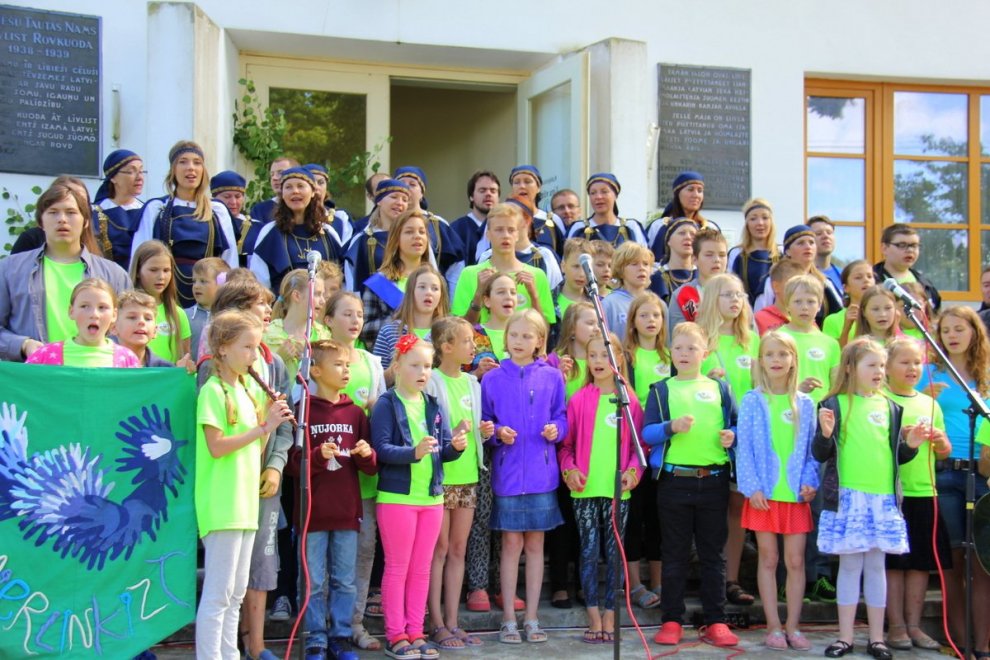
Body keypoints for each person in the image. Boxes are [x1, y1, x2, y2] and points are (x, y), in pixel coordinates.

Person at [813, 338, 927, 660]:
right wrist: (824, 434)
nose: (879, 371)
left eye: (881, 365)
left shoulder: (890, 407)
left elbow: (894, 456)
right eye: (871, 365)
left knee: (876, 566)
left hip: (882, 500)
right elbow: (819, 453)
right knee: (850, 566)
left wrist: (911, 445)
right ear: (851, 368)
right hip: (849, 497)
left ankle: (877, 638)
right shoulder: (834, 404)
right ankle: (845, 637)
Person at [200, 278, 294, 660]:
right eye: (248, 348)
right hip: (221, 503)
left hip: (244, 504)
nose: (255, 356)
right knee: (218, 594)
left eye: (256, 348)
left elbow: (255, 448)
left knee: (236, 592)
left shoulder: (245, 388)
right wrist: (263, 426)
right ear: (223, 347)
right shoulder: (214, 389)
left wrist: (270, 425)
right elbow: (216, 446)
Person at [370, 334, 467, 660]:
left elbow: (442, 451)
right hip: (398, 498)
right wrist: (414, 452)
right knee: (398, 567)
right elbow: (382, 450)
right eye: (415, 365)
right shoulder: (386, 404)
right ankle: (395, 634)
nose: (422, 372)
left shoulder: (433, 404)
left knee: (422, 568)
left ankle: (416, 631)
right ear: (397, 366)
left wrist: (455, 446)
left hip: (431, 499)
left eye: (427, 366)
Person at [643, 322, 739, 647]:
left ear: (705, 353)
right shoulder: (661, 389)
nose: (684, 354)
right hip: (674, 482)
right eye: (678, 348)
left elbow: (736, 424)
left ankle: (716, 621)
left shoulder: (720, 388)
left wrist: (732, 436)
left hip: (714, 481)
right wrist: (671, 426)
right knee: (674, 554)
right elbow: (647, 433)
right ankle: (672, 620)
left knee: (713, 555)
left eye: (691, 348)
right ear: (670, 352)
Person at [286, 339, 376, 660]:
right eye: (338, 365)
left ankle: (340, 636)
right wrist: (317, 456)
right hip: (312, 514)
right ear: (316, 371)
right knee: (312, 580)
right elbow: (292, 464)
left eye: (348, 365)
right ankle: (315, 637)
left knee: (345, 580)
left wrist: (366, 454)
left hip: (346, 512)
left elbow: (370, 466)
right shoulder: (303, 410)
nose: (345, 370)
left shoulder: (355, 413)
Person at [481, 309, 567, 644]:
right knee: (511, 544)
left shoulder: (552, 377)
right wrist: (496, 432)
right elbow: (485, 422)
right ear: (506, 338)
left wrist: (556, 429)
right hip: (508, 474)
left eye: (527, 336)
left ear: (539, 341)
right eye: (514, 335)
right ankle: (508, 619)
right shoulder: (491, 379)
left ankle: (531, 617)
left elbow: (561, 416)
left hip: (543, 475)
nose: (519, 341)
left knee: (535, 544)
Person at [735, 331, 819, 651]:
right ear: (760, 360)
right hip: (764, 496)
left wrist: (810, 481)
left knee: (795, 561)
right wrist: (752, 487)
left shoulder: (805, 404)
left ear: (793, 360)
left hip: (794, 496)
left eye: (783, 354)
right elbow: (744, 448)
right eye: (769, 354)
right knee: (768, 559)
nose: (776, 360)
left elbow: (812, 450)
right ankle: (773, 626)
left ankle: (793, 626)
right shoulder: (753, 400)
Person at [559, 332, 644, 643]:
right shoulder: (579, 399)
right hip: (585, 489)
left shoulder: (628, 400)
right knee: (588, 550)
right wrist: (569, 470)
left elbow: (639, 447)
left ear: (618, 359)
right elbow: (566, 446)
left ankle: (611, 613)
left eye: (605, 355)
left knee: (614, 551)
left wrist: (633, 472)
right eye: (592, 355)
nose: (598, 361)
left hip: (617, 491)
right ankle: (593, 614)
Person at [918, 306, 990, 651]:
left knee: (982, 565)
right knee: (953, 564)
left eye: (959, 329)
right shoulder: (928, 374)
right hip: (945, 473)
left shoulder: (986, 374)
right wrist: (924, 400)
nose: (952, 336)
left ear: (975, 332)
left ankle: (984, 646)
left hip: (983, 474)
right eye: (945, 330)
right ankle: (962, 646)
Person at [0, 178, 129, 361]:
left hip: (94, 373)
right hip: (34, 374)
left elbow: (128, 329)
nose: (62, 219)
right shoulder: (10, 270)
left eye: (71, 212)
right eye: (53, 212)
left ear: (86, 221)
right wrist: (23, 345)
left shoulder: (114, 275)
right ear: (40, 222)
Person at [321, 291, 386, 651]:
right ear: (328, 319)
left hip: (363, 479)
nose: (355, 320)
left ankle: (353, 624)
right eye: (347, 314)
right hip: (327, 480)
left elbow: (381, 417)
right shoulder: (315, 359)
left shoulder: (372, 362)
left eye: (359, 314)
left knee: (363, 554)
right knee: (325, 559)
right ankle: (320, 628)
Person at [882, 338, 951, 652]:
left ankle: (914, 625)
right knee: (895, 564)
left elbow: (943, 451)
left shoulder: (930, 404)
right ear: (887, 366)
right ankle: (895, 625)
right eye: (904, 362)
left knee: (920, 562)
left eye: (917, 362)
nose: (912, 368)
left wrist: (940, 442)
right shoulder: (881, 399)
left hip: (925, 490)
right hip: (892, 492)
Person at [426, 317, 490, 650]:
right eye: (466, 341)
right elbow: (428, 427)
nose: (473, 346)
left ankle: (453, 621)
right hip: (442, 477)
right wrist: (454, 433)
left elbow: (474, 430)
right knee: (437, 550)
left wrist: (483, 432)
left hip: (467, 476)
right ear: (446, 346)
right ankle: (435, 621)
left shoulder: (472, 383)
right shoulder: (432, 381)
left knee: (457, 549)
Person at [696, 273, 758, 606]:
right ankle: (710, 575)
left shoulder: (752, 341)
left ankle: (730, 580)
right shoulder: (702, 340)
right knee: (710, 510)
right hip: (710, 437)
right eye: (727, 295)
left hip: (745, 435)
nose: (735, 301)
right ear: (711, 300)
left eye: (739, 295)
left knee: (737, 508)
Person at [131, 140, 238, 306]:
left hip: (209, 295)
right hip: (164, 292)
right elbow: (139, 256)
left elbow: (229, 260)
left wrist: (228, 298)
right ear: (173, 169)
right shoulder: (156, 209)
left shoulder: (216, 210)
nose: (191, 168)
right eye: (183, 162)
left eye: (197, 162)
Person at [621, 292, 670, 608]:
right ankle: (635, 584)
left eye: (656, 315)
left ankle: (659, 581)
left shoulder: (670, 357)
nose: (651, 320)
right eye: (644, 315)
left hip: (664, 451)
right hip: (635, 449)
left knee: (658, 518)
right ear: (633, 322)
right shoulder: (628, 357)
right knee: (634, 517)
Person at [452, 202, 555, 327]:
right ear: (488, 235)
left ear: (517, 235)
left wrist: (533, 295)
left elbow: (544, 330)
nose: (505, 235)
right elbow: (459, 328)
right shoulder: (470, 274)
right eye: (499, 230)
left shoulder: (536, 275)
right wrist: (479, 294)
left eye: (511, 230)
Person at [249, 166, 342, 293]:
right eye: (288, 187)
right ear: (282, 194)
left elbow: (341, 278)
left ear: (313, 192)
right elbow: (259, 281)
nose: (295, 191)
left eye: (300, 186)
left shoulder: (327, 232)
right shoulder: (270, 232)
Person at [360, 212, 436, 351]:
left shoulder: (435, 281)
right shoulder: (379, 282)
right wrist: (401, 318)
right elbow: (364, 330)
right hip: (392, 355)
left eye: (422, 232)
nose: (417, 236)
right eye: (409, 232)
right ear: (396, 239)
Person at [26, 278, 140, 367]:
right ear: (71, 311)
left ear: (114, 315)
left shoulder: (127, 360)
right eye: (84, 306)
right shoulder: (44, 356)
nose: (94, 314)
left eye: (102, 307)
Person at [754, 225, 843, 323]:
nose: (808, 247)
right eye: (801, 243)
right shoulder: (773, 280)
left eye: (811, 242)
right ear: (787, 251)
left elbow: (840, 315)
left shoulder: (825, 282)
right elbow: (758, 318)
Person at [779, 275, 841, 404]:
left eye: (811, 302)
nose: (804, 307)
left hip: (821, 410)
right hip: (786, 408)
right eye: (798, 302)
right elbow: (767, 382)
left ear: (819, 305)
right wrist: (796, 390)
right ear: (787, 304)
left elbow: (836, 386)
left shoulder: (830, 343)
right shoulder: (778, 338)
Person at [373, 264, 448, 370]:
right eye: (422, 287)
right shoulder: (388, 332)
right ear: (411, 292)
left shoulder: (448, 334)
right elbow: (379, 378)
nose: (428, 292)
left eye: (435, 288)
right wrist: (397, 366)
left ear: (441, 296)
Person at [394, 166, 465, 276]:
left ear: (422, 193)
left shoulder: (437, 224)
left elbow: (456, 265)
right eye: (401, 183)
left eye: (412, 184)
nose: (406, 187)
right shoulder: (383, 224)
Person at [264, 268, 331, 385]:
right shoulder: (267, 334)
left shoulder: (324, 335)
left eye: (323, 295)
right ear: (297, 296)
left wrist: (311, 360)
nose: (323, 301)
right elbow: (258, 378)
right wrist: (279, 359)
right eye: (317, 294)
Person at [345, 178, 411, 294]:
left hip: (411, 301)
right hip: (371, 302)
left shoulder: (414, 238)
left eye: (404, 200)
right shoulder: (362, 239)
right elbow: (351, 279)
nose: (400, 203)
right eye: (394, 197)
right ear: (379, 201)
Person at [130, 240, 191, 364]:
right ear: (138, 272)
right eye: (153, 270)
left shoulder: (178, 314)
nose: (161, 277)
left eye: (166, 270)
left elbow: (185, 358)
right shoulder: (125, 311)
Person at [646, 171, 720, 263]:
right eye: (690, 190)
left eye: (700, 191)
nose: (696, 195)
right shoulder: (659, 227)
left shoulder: (711, 228)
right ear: (678, 194)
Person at [91, 149, 146, 270]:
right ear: (113, 177)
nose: (139, 177)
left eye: (141, 171)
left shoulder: (147, 211)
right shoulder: (95, 212)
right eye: (131, 171)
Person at [667, 227, 728, 336]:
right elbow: (677, 337)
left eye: (722, 255)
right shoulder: (682, 295)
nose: (717, 260)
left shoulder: (736, 293)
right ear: (694, 259)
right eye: (709, 255)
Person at [873, 223, 941, 314]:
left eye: (914, 245)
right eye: (902, 245)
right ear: (884, 248)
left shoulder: (926, 285)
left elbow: (935, 316)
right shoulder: (871, 280)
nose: (910, 250)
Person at [566, 173, 648, 248]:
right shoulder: (579, 227)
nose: (598, 197)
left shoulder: (631, 226)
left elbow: (644, 257)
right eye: (593, 193)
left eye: (604, 192)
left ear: (615, 195)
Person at [504, 164, 565, 257]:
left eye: (527, 181)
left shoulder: (552, 220)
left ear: (538, 188)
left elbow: (563, 256)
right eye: (516, 182)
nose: (522, 186)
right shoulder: (502, 219)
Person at [729, 198, 779, 305]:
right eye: (753, 219)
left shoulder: (781, 253)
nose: (760, 223)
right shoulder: (736, 254)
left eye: (765, 218)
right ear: (747, 224)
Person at [601, 241, 654, 339]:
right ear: (620, 270)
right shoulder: (609, 304)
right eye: (634, 264)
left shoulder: (658, 304)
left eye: (646, 264)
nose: (641, 268)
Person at [212, 171, 265, 267]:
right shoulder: (209, 224)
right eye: (227, 197)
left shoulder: (258, 228)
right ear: (214, 198)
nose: (233, 202)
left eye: (238, 196)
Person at [547, 301, 599, 400]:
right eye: (590, 323)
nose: (597, 329)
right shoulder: (554, 360)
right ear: (572, 328)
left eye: (599, 324)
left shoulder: (603, 361)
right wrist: (558, 376)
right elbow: (544, 397)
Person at [468, 272, 517, 376]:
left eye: (513, 292)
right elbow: (458, 375)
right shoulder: (471, 334)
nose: (509, 297)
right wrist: (477, 373)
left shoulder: (526, 334)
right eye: (501, 292)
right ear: (487, 301)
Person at [113, 289, 177, 367]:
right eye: (132, 317)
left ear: (155, 331)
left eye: (148, 318)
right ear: (114, 327)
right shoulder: (103, 364)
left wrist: (183, 372)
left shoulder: (165, 368)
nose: (141, 322)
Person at [450, 170, 500, 267]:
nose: (488, 194)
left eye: (493, 191)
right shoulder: (456, 229)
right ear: (471, 196)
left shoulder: (506, 229)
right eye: (482, 190)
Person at [822, 260, 876, 346]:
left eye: (869, 276)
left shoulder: (883, 314)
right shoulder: (832, 320)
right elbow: (834, 352)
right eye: (858, 277)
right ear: (846, 288)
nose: (866, 280)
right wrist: (847, 327)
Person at [187, 257, 231, 359]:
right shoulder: (185, 315)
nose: (196, 286)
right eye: (194, 281)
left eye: (203, 281)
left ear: (222, 284)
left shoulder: (230, 317)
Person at [304, 162, 354, 246]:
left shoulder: (340, 220)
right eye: (311, 182)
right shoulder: (291, 220)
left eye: (321, 183)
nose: (316, 187)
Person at [652, 217, 697, 303]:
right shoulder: (657, 278)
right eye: (682, 233)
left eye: (693, 234)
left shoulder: (702, 276)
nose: (688, 237)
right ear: (668, 240)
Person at [753, 259, 803, 336]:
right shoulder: (759, 320)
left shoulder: (806, 318)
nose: (799, 290)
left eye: (802, 285)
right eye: (792, 284)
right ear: (775, 286)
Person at [249, 155, 299, 223]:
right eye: (272, 174)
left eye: (280, 173)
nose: (274, 178)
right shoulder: (260, 210)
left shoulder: (303, 208)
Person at [554, 238, 593, 323]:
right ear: (563, 266)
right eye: (576, 266)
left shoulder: (596, 302)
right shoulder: (550, 300)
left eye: (585, 267)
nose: (582, 274)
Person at [807, 215, 843, 295]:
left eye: (829, 233)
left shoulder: (844, 275)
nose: (825, 236)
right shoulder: (802, 275)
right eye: (818, 233)